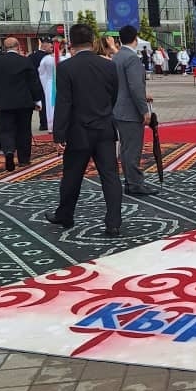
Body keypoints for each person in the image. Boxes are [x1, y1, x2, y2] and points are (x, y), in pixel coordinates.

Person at [45, 23, 123, 237]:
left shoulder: (66, 68)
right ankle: (113, 223)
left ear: (72, 43)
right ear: (93, 41)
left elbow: (64, 103)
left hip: (78, 130)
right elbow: (113, 96)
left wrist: (59, 134)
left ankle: (65, 215)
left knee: (72, 175)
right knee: (110, 176)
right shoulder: (108, 65)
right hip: (105, 128)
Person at [113, 24, 156, 197]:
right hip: (130, 111)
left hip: (118, 109)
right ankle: (135, 183)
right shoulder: (132, 59)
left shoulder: (117, 56)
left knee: (125, 148)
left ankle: (130, 181)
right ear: (136, 39)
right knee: (133, 149)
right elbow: (135, 87)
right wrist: (144, 110)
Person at [0, 37, 42, 171]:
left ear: (4, 47)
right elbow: (33, 82)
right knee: (24, 130)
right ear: (18, 46)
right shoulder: (25, 61)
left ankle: (9, 151)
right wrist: (37, 99)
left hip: (3, 103)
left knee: (5, 130)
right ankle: (24, 159)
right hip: (24, 102)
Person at [29, 37, 53, 131]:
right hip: (47, 82)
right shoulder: (48, 57)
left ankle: (44, 123)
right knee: (48, 103)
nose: (51, 47)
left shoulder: (32, 56)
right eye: (50, 45)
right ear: (44, 44)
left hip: (37, 83)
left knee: (42, 103)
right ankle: (49, 122)